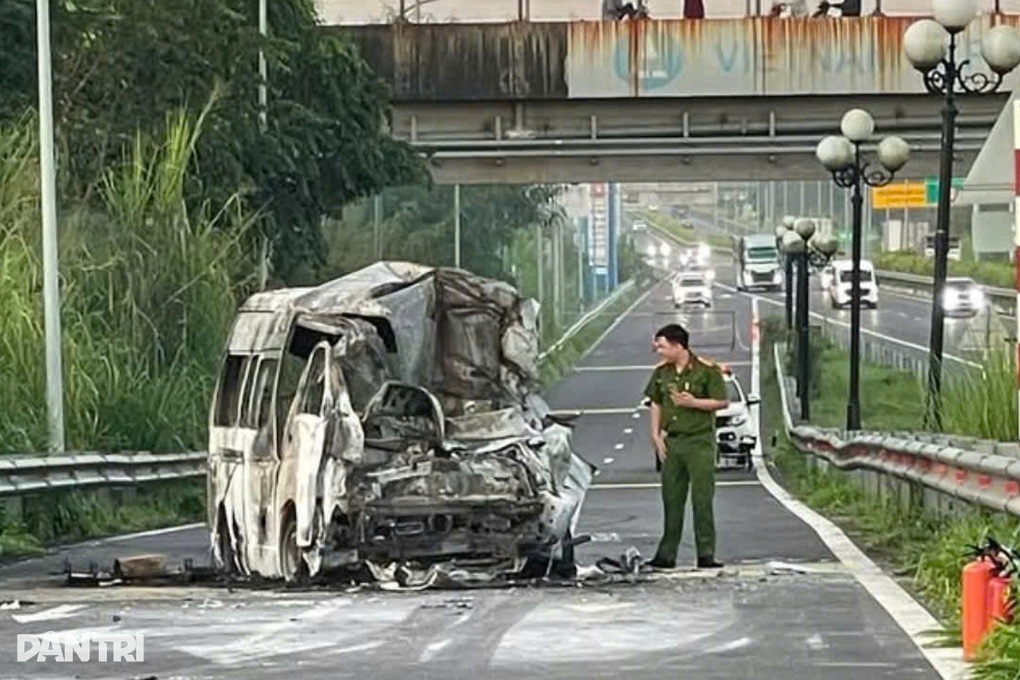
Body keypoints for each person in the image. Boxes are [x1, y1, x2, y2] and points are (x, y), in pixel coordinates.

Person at [643, 324, 729, 569]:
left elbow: (721, 402)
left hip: (699, 441)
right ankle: (666, 554)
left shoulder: (707, 370)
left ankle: (706, 553)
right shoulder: (662, 373)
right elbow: (656, 402)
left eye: (662, 346)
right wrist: (655, 434)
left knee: (702, 499)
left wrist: (694, 403)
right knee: (671, 498)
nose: (659, 351)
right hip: (673, 441)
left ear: (678, 345)